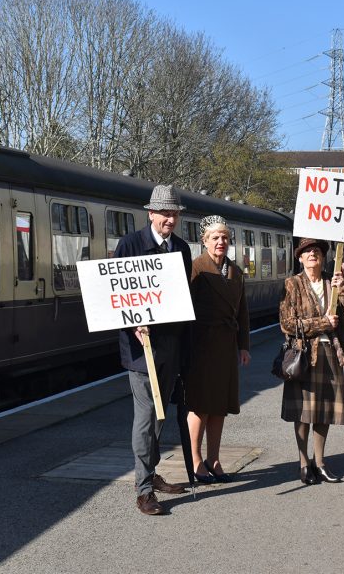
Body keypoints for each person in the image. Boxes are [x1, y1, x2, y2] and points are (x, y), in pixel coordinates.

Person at [114, 184, 192, 515]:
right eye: (164, 213)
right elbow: (115, 296)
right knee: (146, 417)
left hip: (170, 346)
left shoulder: (182, 249)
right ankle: (144, 490)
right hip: (140, 348)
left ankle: (151, 471)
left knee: (160, 416)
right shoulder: (130, 245)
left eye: (173, 214)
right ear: (151, 214)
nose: (169, 219)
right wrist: (133, 323)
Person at [280, 238, 344, 485]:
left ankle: (320, 461)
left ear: (324, 257)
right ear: (300, 258)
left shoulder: (332, 283)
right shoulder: (292, 284)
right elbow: (287, 324)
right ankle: (304, 462)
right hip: (304, 355)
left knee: (323, 412)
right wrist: (324, 323)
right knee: (303, 412)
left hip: (331, 353)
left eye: (317, 250)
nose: (312, 254)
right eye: (307, 251)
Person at [186, 215, 251, 484]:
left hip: (225, 345)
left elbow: (243, 311)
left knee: (219, 406)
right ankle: (195, 460)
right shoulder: (196, 269)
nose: (221, 242)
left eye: (224, 237)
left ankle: (214, 458)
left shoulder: (234, 271)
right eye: (215, 237)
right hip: (201, 345)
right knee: (200, 404)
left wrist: (243, 345)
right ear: (204, 241)